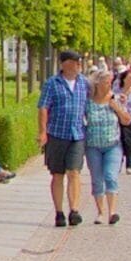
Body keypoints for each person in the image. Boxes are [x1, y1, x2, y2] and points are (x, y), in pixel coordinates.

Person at [39, 50, 88, 227]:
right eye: (76, 62)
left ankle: (74, 210)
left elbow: (90, 104)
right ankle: (59, 212)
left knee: (74, 172)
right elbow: (43, 107)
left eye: (79, 62)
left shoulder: (84, 83)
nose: (79, 65)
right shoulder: (52, 83)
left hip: (77, 134)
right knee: (58, 174)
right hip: (57, 134)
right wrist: (43, 132)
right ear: (65, 64)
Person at [82, 67, 123, 219]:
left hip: (113, 145)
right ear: (97, 84)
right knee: (97, 180)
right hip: (93, 146)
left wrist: (117, 108)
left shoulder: (114, 99)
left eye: (110, 83)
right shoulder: (88, 103)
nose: (109, 86)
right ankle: (100, 212)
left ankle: (112, 212)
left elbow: (126, 120)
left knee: (110, 176)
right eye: (106, 83)